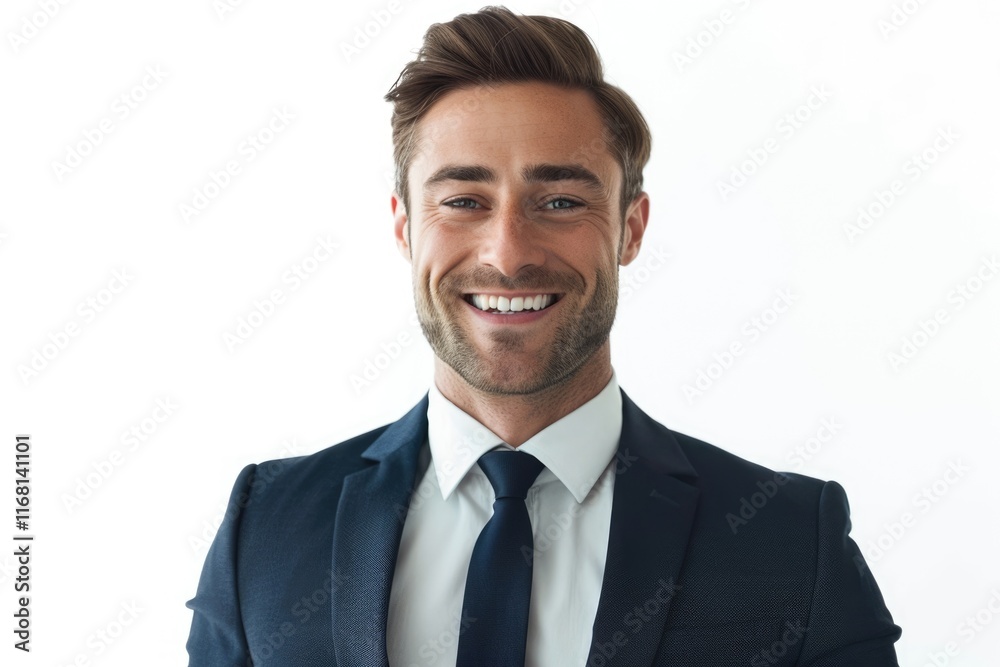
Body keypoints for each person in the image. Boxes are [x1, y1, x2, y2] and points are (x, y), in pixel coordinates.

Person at [186, 6, 901, 665]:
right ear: (405, 227)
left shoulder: (788, 540)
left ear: (630, 226)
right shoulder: (267, 526)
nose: (507, 251)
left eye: (560, 201)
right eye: (464, 200)